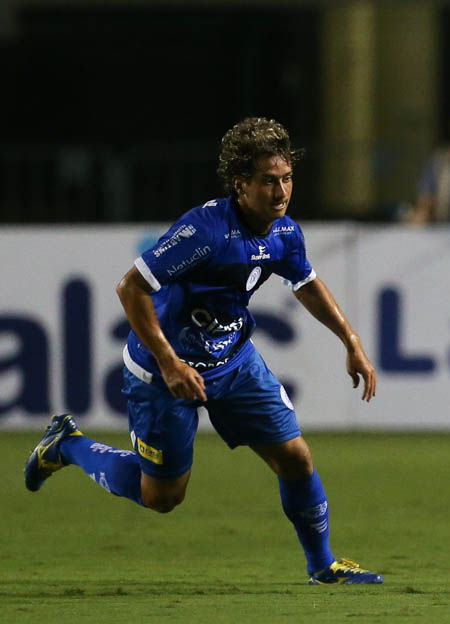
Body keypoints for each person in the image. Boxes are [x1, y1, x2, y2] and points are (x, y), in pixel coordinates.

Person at [24, 117, 384, 586]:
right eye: (268, 182)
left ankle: (323, 565)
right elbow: (130, 288)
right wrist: (170, 362)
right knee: (164, 496)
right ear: (241, 185)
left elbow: (307, 283)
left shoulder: (284, 233)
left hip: (234, 362)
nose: (281, 192)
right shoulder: (205, 232)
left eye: (287, 179)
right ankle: (67, 446)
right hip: (164, 374)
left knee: (296, 457)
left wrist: (352, 343)